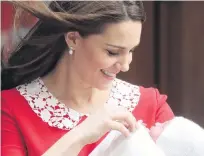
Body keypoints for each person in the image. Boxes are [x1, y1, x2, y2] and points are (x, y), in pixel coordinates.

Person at [1, 1, 174, 156]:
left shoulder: (152, 105)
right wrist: (80, 136)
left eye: (131, 51)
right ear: (73, 39)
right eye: (113, 52)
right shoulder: (10, 109)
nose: (126, 65)